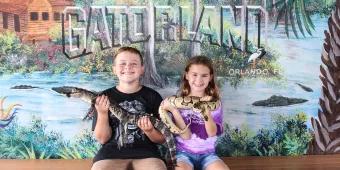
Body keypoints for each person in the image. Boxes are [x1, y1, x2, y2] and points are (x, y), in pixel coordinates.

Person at [91, 47, 167, 170]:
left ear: (142, 69)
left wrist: (150, 131)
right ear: (114, 69)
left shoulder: (153, 96)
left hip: (147, 153)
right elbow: (102, 138)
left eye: (134, 64)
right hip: (111, 153)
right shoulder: (103, 97)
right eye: (122, 64)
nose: (128, 67)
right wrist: (103, 113)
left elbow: (161, 138)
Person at [161, 56, 230, 170]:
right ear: (187, 75)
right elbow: (186, 136)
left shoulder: (214, 103)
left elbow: (212, 133)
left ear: (210, 77)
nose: (199, 80)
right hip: (183, 154)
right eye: (194, 74)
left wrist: (206, 111)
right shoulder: (177, 103)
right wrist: (173, 110)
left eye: (204, 75)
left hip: (209, 154)